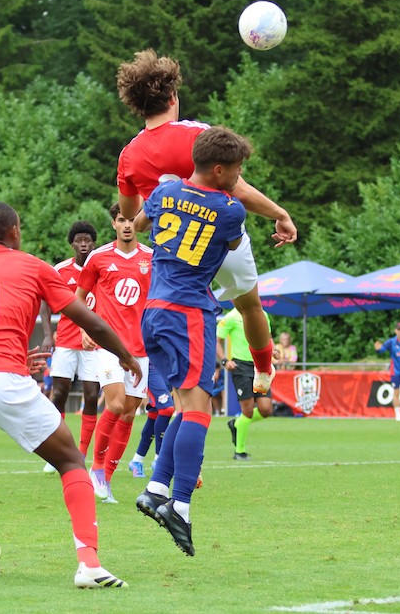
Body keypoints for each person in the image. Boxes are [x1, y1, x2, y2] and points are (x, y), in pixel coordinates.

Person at [0, 201, 138, 587]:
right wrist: (126, 355)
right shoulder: (31, 265)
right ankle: (89, 563)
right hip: (4, 380)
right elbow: (87, 319)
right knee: (71, 461)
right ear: (14, 230)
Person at [114, 49, 296, 397]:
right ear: (172, 96)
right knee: (248, 305)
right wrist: (279, 214)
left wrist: (146, 216)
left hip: (173, 251)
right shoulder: (196, 134)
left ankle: (175, 390)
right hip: (218, 237)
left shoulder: (129, 154)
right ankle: (262, 368)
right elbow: (237, 189)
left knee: (175, 316)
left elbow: (130, 212)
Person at [133, 125, 250, 556]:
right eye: (236, 170)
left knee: (184, 406)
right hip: (189, 312)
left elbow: (140, 221)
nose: (238, 177)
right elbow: (233, 244)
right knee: (200, 411)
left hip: (155, 309)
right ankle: (180, 504)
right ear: (218, 169)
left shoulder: (164, 193)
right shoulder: (231, 209)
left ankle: (156, 486)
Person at [76, 203, 152, 503]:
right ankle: (95, 468)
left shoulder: (151, 258)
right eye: (122, 220)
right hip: (109, 346)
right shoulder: (98, 258)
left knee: (131, 412)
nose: (128, 225)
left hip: (142, 347)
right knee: (117, 404)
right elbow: (79, 297)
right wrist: (84, 328)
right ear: (113, 224)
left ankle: (106, 478)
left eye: (133, 219)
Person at [42, 221, 102, 473]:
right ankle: (57, 454)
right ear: (72, 244)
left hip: (93, 344)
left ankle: (82, 453)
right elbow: (45, 301)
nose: (84, 244)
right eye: (79, 240)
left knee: (91, 396)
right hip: (65, 341)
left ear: (94, 242)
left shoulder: (102, 268)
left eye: (88, 239)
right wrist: (47, 334)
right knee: (59, 395)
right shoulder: (60, 270)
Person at [219, 308, 273, 460]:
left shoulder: (263, 314)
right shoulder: (230, 317)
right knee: (248, 410)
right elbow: (217, 340)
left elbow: (268, 337)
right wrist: (225, 361)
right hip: (241, 366)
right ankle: (239, 451)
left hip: (260, 365)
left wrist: (273, 350)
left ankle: (236, 423)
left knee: (266, 409)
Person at [127, 371, 175, 478]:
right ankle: (159, 461)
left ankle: (137, 460)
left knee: (155, 414)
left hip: (167, 365)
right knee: (167, 408)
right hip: (152, 365)